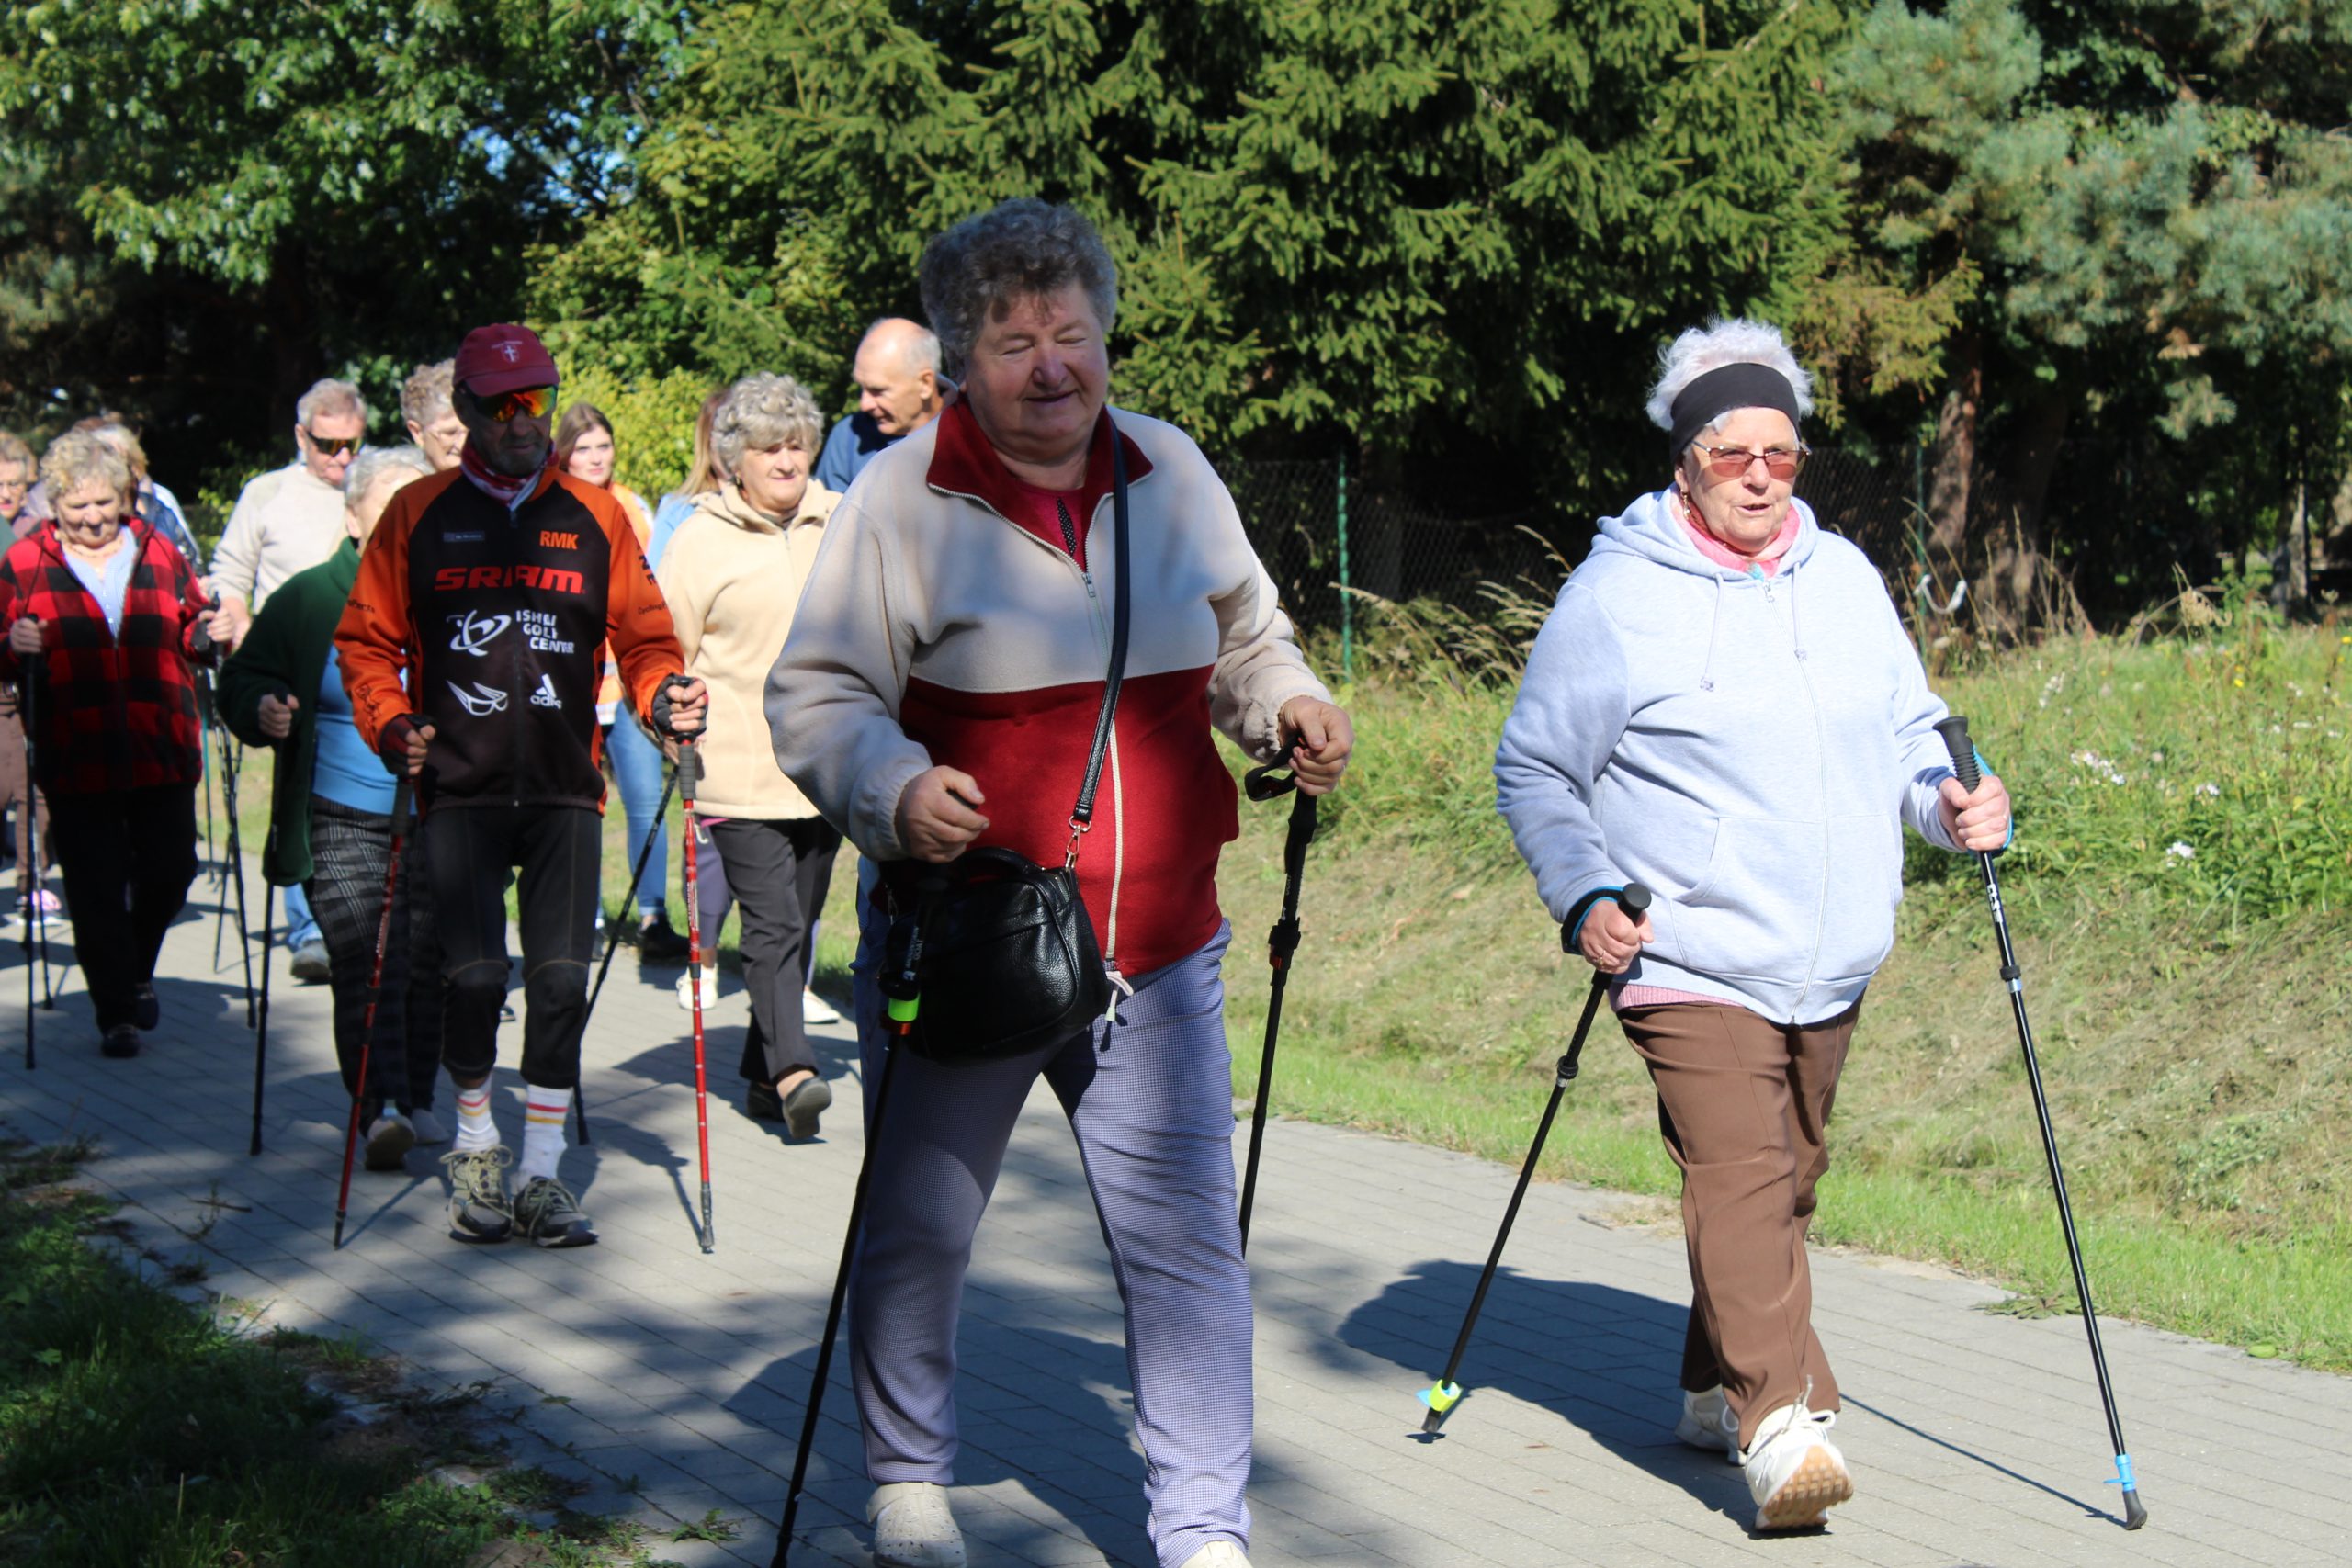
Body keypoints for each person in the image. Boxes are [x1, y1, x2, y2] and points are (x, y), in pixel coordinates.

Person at [772, 198, 1353, 1568]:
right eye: (1014, 338)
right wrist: (894, 787)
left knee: (1189, 1250)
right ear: (962, 358)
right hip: (967, 937)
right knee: (920, 1229)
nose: (1050, 365)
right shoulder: (902, 496)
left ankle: (1204, 1524)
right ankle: (910, 1478)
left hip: (1156, 942)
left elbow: (1246, 640)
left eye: (1071, 333)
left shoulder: (1173, 471)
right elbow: (817, 695)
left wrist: (1288, 705)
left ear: (1106, 336)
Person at [1492, 317, 2014, 1533]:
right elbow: (1536, 769)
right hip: (1686, 946)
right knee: (1744, 1166)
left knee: (1787, 1177)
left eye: (1784, 452)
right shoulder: (1618, 595)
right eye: (1736, 454)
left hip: (1830, 949)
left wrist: (1951, 802)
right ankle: (1782, 1420)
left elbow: (1908, 733)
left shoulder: (1841, 579)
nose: (1765, 475)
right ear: (1687, 458)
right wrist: (1583, 892)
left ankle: (1700, 1377)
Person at [336, 321, 707, 1250]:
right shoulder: (417, 514)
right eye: (499, 406)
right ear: (461, 414)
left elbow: (647, 640)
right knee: (472, 979)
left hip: (561, 793)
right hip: (455, 791)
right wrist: (391, 723)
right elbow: (367, 643)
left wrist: (666, 698)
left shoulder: (595, 516)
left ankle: (540, 1178)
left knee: (558, 984)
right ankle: (473, 1148)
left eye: (533, 401)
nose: (519, 421)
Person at [221, 445, 448, 1169]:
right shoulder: (313, 596)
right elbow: (241, 680)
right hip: (338, 811)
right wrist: (264, 707)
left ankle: (415, 1093)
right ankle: (379, 1105)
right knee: (368, 954)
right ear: (354, 517)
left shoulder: (455, 595)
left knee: (427, 960)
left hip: (438, 814)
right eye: (389, 508)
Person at [0, 432, 234, 1056]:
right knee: (95, 883)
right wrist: (11, 645)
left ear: (125, 496)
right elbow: (1, 642)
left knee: (171, 869)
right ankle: (116, 1013)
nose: (94, 517)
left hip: (162, 741)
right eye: (78, 507)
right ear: (53, 504)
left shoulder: (158, 550)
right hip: (77, 750)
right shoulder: (23, 563)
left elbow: (191, 632)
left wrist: (212, 630)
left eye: (104, 503)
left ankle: (133, 967)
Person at [657, 373, 842, 1136]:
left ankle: (759, 1076)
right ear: (736, 459)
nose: (786, 459)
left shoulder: (839, 522)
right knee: (771, 925)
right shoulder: (700, 539)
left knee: (800, 917)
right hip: (735, 766)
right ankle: (795, 1069)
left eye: (797, 444)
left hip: (824, 767)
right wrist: (669, 716)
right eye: (769, 447)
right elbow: (663, 652)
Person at [213, 377, 372, 981]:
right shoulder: (268, 494)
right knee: (302, 789)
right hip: (291, 658)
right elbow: (233, 569)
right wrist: (241, 629)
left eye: (352, 444)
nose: (342, 458)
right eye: (329, 445)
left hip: (361, 656)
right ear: (301, 436)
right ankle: (308, 928)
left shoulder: (369, 488)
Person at [555, 401, 688, 963]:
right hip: (575, 687)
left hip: (628, 688)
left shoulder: (632, 506)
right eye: (582, 448)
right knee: (579, 803)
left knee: (641, 800)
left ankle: (652, 918)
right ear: (562, 453)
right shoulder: (551, 507)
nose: (594, 458)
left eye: (602, 446)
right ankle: (580, 915)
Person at [0, 430, 56, 928]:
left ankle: (30, 882)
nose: (8, 493)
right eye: (0, 483)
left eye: (16, 483)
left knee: (33, 787)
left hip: (32, 686)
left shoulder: (39, 533)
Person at [810, 317, 945, 493]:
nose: (864, 404)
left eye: (878, 391)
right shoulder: (848, 439)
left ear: (925, 384)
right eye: (862, 388)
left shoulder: (976, 433)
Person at [401, 360, 466, 472]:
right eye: (450, 433)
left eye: (473, 432)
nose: (463, 443)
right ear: (417, 432)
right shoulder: (403, 486)